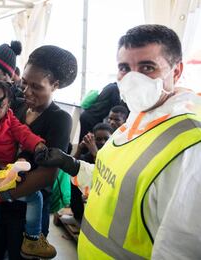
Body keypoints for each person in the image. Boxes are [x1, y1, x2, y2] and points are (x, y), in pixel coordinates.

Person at [36, 24, 201, 259]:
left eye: (147, 67)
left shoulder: (190, 146)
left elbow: (181, 249)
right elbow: (112, 180)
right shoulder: (136, 119)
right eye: (125, 68)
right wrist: (73, 165)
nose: (133, 78)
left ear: (176, 72)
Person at [0, 45, 76, 259]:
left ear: (55, 85)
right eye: (25, 84)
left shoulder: (60, 119)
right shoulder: (16, 108)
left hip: (27, 210)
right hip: (1, 204)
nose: (27, 92)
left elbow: (47, 175)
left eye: (36, 87)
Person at [0, 80, 56, 260]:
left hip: (8, 172)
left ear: (8, 105)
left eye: (1, 104)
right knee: (34, 198)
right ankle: (32, 238)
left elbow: (24, 133)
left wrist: (38, 145)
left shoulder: (10, 119)